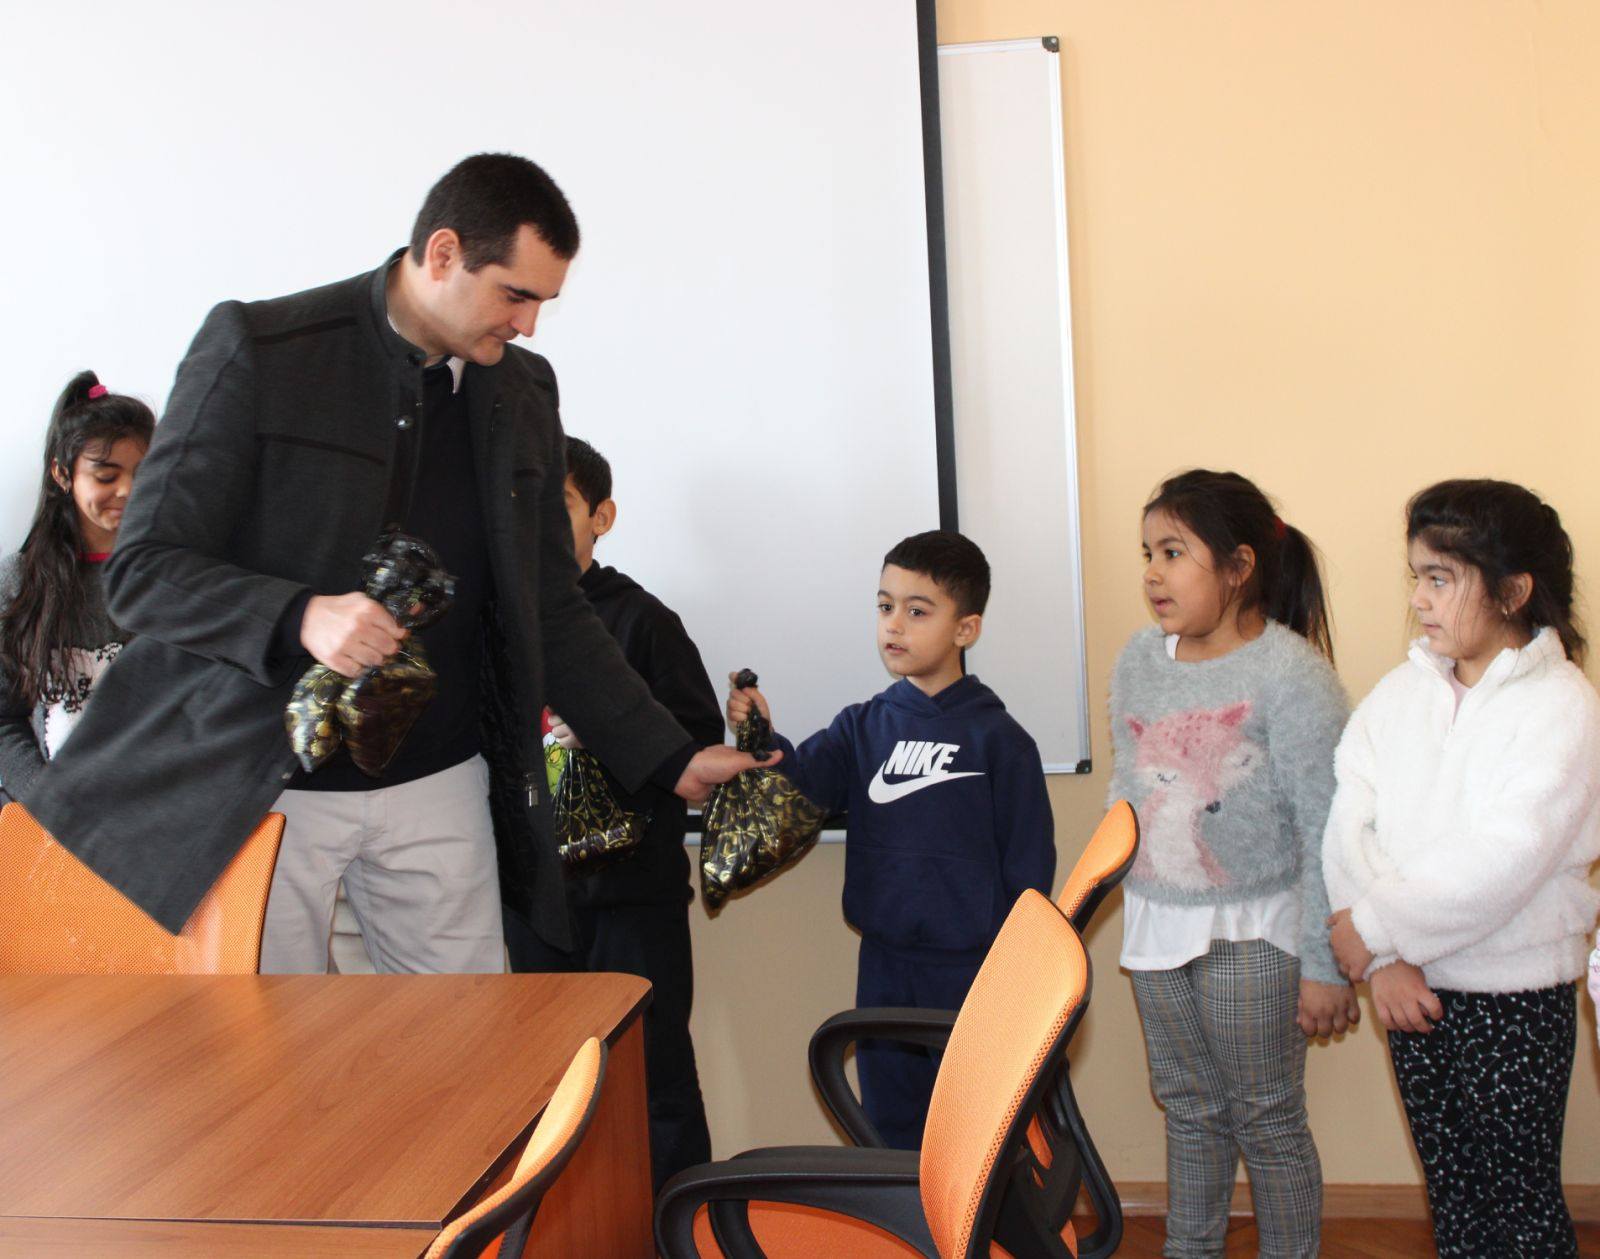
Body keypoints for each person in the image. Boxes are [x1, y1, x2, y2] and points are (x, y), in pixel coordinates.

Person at [25, 153, 767, 966]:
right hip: (265, 784)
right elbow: (145, 571)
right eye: (515, 295)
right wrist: (300, 614)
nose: (527, 324)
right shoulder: (263, 348)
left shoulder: (523, 393)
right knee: (266, 1040)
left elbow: (550, 606)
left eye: (542, 303)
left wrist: (669, 754)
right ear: (443, 253)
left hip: (442, 780)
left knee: (465, 1033)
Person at [1323, 479, 1598, 1258]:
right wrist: (1384, 958)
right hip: (1409, 989)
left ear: (1513, 591)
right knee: (1454, 1198)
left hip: (1514, 997)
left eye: (1440, 578)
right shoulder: (1398, 695)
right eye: (1416, 576)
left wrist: (1376, 926)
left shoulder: (1562, 705)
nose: (1419, 598)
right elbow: (1349, 820)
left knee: (1519, 1204)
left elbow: (1504, 855)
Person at [726, 529, 1055, 1150]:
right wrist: (761, 735)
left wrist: (1017, 975)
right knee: (889, 1126)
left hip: (972, 972)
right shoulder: (862, 726)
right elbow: (801, 788)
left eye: (917, 611)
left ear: (966, 629)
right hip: (883, 964)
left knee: (976, 1131)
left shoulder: (1001, 741)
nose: (894, 625)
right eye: (885, 607)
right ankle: (900, 1213)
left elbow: (1030, 868)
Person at [1107, 469, 1354, 1259]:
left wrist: (1326, 964)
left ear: (1239, 565)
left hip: (1256, 929)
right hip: (1156, 924)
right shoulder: (1137, 660)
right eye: (1148, 552)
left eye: (1174, 552)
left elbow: (1327, 827)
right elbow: (1126, 788)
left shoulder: (1294, 674)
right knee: (1188, 1108)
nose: (1153, 573)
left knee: (1266, 1116)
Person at [520, 435, 720, 1189]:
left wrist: (611, 736)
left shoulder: (644, 621)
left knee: (653, 1073)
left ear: (601, 517)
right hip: (535, 901)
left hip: (633, 899)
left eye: (561, 505)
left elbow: (695, 746)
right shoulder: (496, 620)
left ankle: (680, 1226)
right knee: (542, 1085)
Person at [0, 372, 153, 806]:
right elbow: (3, 719)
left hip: (148, 813)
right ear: (62, 474)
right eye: (105, 476)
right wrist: (48, 801)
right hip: (48, 821)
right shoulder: (18, 584)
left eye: (142, 474)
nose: (127, 490)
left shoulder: (170, 579)